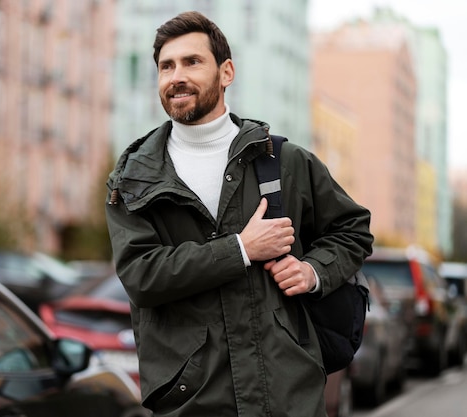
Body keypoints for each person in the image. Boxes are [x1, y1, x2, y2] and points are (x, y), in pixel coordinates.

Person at [105, 10, 373, 417]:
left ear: (226, 72)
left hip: (288, 395)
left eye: (192, 62)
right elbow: (142, 275)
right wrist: (241, 249)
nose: (177, 76)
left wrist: (313, 271)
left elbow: (352, 229)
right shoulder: (134, 180)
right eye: (166, 66)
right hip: (192, 399)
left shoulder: (284, 162)